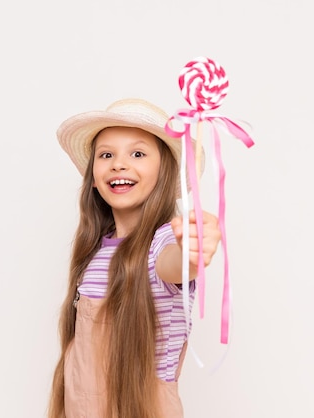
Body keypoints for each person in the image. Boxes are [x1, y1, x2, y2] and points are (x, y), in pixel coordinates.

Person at [48, 98, 222, 418]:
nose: (119, 164)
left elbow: (174, 265)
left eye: (138, 153)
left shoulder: (163, 242)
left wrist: (192, 252)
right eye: (106, 154)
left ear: (165, 169)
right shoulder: (96, 248)